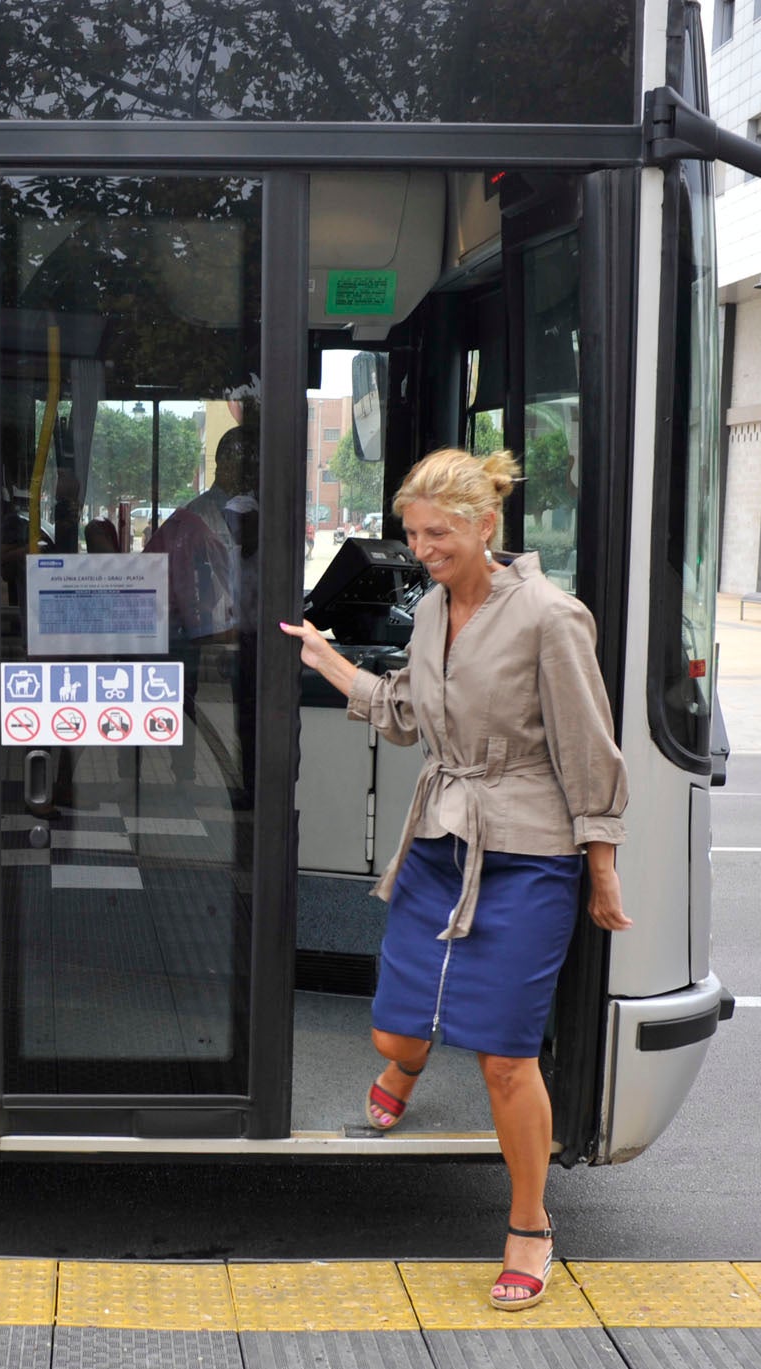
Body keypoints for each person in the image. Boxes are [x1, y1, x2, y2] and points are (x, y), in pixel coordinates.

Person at [279, 448, 628, 1312]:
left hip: (528, 852)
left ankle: (530, 1226)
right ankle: (406, 1067)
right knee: (395, 1032)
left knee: (506, 1058)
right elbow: (406, 713)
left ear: (485, 525)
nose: (422, 546)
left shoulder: (552, 617)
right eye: (411, 532)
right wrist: (325, 660)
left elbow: (591, 749)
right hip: (440, 837)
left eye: (438, 532)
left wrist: (602, 866)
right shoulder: (433, 610)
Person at [143, 423, 253, 640]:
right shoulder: (197, 518)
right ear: (224, 464)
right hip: (207, 638)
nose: (252, 473)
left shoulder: (252, 512)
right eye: (247, 464)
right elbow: (193, 600)